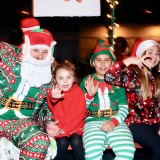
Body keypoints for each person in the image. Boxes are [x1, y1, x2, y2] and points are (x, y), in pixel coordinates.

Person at [0, 18, 58, 160]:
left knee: (39, 140)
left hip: (20, 122)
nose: (40, 56)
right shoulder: (9, 58)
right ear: (26, 48)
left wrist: (49, 121)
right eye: (35, 50)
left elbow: (46, 107)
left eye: (45, 52)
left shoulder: (50, 78)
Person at [80, 39, 135, 160]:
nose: (103, 64)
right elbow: (80, 109)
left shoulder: (118, 82)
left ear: (112, 63)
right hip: (92, 122)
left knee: (128, 150)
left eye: (107, 60)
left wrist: (114, 122)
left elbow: (124, 107)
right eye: (98, 60)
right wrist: (89, 96)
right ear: (93, 62)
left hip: (116, 121)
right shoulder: (86, 81)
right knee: (92, 151)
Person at [104, 39, 160, 160]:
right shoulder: (131, 74)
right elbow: (109, 77)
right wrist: (130, 60)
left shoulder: (157, 76)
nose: (154, 56)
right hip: (136, 123)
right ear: (142, 54)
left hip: (156, 122)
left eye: (157, 53)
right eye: (150, 52)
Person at [46, 60, 87, 160]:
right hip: (60, 129)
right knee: (61, 143)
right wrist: (54, 97)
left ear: (74, 78)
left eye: (68, 77)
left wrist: (68, 129)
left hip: (75, 128)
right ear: (55, 80)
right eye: (61, 78)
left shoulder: (79, 92)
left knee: (76, 142)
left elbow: (81, 113)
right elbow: (51, 104)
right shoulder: (55, 92)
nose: (65, 81)